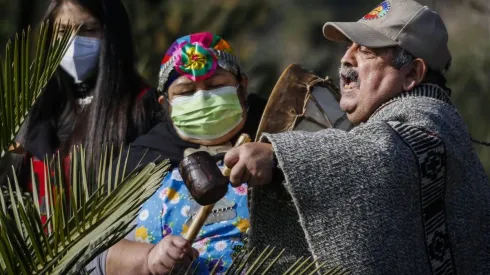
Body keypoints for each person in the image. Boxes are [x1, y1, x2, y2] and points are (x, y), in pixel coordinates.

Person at [223, 0, 490, 274]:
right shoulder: (434, 117)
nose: (346, 59)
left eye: (365, 51)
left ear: (412, 73)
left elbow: (384, 154)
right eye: (349, 46)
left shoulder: (429, 124)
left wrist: (278, 156)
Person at [86, 32, 267, 275]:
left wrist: (279, 155)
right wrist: (148, 258)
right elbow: (90, 252)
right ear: (166, 104)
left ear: (242, 88)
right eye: (185, 91)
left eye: (216, 86)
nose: (202, 97)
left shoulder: (283, 133)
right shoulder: (137, 164)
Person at [5, 0, 160, 221]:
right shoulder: (36, 107)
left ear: (113, 35)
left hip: (108, 250)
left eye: (88, 30)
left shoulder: (142, 106)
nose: (73, 43)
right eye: (62, 31)